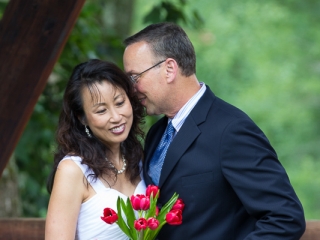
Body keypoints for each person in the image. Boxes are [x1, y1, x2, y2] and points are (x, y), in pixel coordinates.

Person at [123, 22, 305, 239]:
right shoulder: (156, 134)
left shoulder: (232, 130)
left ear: (169, 69)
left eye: (134, 77)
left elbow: (285, 217)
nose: (131, 90)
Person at [45, 59, 146, 240]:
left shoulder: (139, 158)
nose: (116, 117)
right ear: (82, 118)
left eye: (120, 102)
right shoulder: (73, 170)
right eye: (101, 111)